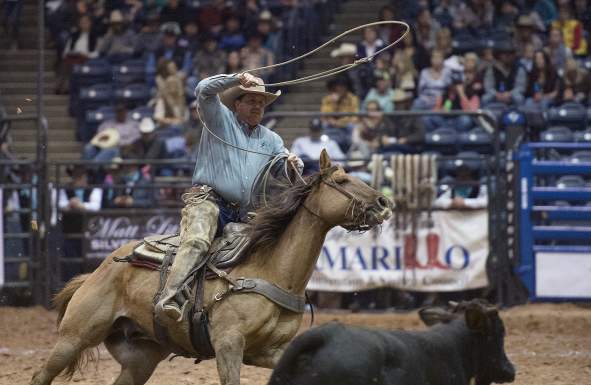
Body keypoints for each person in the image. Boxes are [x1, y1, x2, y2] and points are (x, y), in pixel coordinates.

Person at [154, 72, 302, 322]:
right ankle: (171, 297)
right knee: (198, 240)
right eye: (251, 100)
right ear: (237, 104)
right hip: (208, 200)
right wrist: (236, 78)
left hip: (244, 212)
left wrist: (292, 165)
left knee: (269, 247)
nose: (257, 106)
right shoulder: (219, 119)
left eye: (261, 102)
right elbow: (203, 89)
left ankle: (256, 306)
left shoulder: (272, 139)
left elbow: (286, 174)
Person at [57, 165, 102, 281]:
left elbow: (95, 206)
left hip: (90, 234)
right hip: (70, 233)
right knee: (70, 263)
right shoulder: (66, 189)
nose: (80, 179)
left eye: (81, 176)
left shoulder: (94, 189)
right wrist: (70, 204)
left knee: (89, 264)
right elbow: (60, 204)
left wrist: (81, 205)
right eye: (76, 176)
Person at [55, 14, 99, 94]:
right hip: (74, 57)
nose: (83, 24)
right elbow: (67, 49)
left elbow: (96, 53)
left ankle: (66, 87)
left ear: (90, 23)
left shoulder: (93, 36)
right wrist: (67, 54)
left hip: (86, 58)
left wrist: (87, 55)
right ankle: (59, 86)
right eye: (82, 22)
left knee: (72, 65)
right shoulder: (75, 35)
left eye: (85, 22)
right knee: (66, 63)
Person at [320, 77, 360, 152]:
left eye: (342, 87)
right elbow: (324, 115)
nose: (339, 89)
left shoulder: (352, 98)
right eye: (337, 87)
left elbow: (355, 117)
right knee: (324, 125)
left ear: (346, 87)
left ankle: (352, 149)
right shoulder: (328, 99)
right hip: (332, 125)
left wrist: (340, 122)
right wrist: (334, 103)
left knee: (354, 127)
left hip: (346, 125)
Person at [481, 41, 527, 106]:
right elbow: (488, 87)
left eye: (510, 54)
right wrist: (497, 94)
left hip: (512, 96)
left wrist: (509, 94)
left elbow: (520, 87)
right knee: (484, 98)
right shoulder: (492, 69)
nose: (507, 56)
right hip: (496, 95)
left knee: (520, 98)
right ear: (500, 55)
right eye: (504, 54)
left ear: (513, 55)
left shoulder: (519, 69)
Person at [381, 89, 425, 154]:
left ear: (405, 102)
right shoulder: (389, 117)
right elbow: (383, 131)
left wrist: (406, 139)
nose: (398, 105)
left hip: (410, 147)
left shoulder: (414, 116)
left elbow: (420, 135)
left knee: (392, 152)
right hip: (392, 146)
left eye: (400, 102)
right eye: (396, 103)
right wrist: (383, 137)